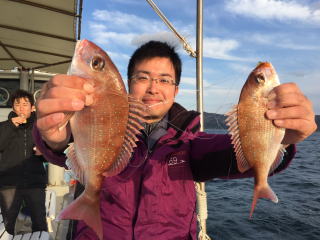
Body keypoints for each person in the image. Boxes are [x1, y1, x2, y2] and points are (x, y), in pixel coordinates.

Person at [33, 41, 317, 240]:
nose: (153, 88)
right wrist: (54, 137)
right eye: (143, 78)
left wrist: (282, 139)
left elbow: (231, 154)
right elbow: (65, 148)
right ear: (127, 84)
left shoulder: (190, 142)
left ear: (176, 90)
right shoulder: (99, 121)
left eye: (165, 80)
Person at [0, 89, 48, 235]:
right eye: (17, 104)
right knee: (8, 225)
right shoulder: (3, 126)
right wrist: (10, 125)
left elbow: (51, 152)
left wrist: (43, 153)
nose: (21, 107)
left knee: (40, 223)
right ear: (13, 107)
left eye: (25, 104)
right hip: (9, 183)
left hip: (35, 183)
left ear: (32, 107)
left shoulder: (40, 127)